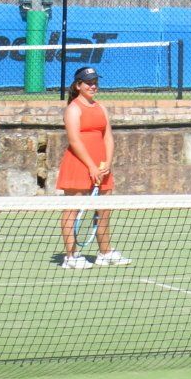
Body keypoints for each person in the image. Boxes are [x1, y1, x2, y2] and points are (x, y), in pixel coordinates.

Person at [56, 67, 129, 269]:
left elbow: (108, 137)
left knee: (104, 211)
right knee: (72, 210)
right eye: (88, 82)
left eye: (95, 81)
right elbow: (74, 140)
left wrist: (107, 163)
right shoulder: (73, 109)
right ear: (78, 86)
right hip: (78, 165)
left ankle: (105, 252)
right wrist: (91, 166)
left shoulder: (101, 108)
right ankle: (70, 256)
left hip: (101, 167)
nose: (93, 85)